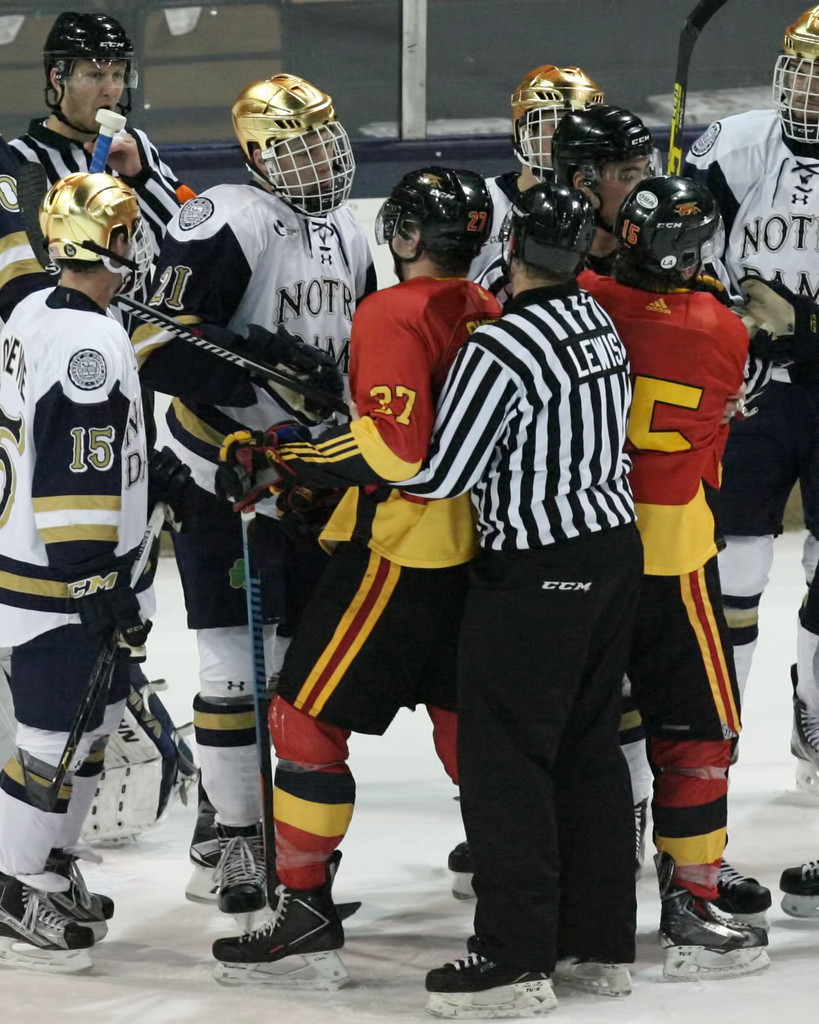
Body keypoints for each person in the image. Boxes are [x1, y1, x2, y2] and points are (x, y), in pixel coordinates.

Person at [209, 165, 499, 988]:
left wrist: (286, 454)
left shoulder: (390, 309)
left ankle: (302, 910)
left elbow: (392, 451)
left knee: (303, 721)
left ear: (404, 235)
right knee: (462, 727)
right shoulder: (486, 305)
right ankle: (513, 898)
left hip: (402, 551)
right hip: (480, 552)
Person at [384, 181, 641, 1017]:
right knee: (587, 751)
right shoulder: (596, 324)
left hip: (536, 571)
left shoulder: (499, 348)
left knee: (505, 765)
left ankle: (513, 957)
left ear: (515, 250)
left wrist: (340, 450)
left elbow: (440, 474)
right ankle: (598, 945)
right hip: (610, 556)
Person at [134, 73, 375, 916]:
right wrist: (260, 363)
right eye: (296, 143)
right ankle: (238, 838)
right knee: (234, 666)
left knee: (301, 668)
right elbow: (155, 342)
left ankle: (257, 822)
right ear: (255, 153)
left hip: (308, 481)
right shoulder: (225, 216)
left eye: (322, 136)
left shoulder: (347, 228)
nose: (318, 155)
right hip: (221, 476)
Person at [581, 174, 770, 979]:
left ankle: (579, 889)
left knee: (580, 723)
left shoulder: (578, 303)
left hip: (577, 546)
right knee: (697, 733)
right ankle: (690, 901)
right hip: (669, 550)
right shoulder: (723, 330)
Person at [0, 171, 153, 973]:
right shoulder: (88, 342)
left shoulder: (39, 308)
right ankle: (12, 882)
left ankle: (48, 868)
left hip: (55, 562)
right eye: (130, 230)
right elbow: (72, 475)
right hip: (59, 574)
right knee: (51, 736)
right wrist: (96, 583)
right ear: (111, 242)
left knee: (87, 731)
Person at [684, 4, 819, 795]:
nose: (812, 88)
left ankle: (814, 718)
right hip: (750, 392)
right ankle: (715, 724)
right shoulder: (733, 146)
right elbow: (678, 256)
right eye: (805, 69)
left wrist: (802, 323)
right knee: (732, 566)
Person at [10, 11, 192, 264]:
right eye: (96, 76)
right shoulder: (15, 161)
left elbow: (188, 243)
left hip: (147, 302)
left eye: (117, 75)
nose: (111, 90)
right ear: (57, 78)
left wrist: (140, 178)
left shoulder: (137, 145)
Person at [468, 65, 604, 302]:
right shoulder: (480, 204)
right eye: (558, 124)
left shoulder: (606, 209)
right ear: (525, 132)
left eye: (583, 127)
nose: (572, 139)